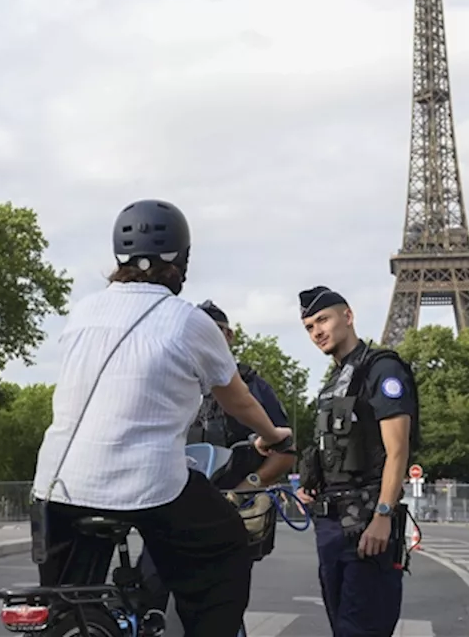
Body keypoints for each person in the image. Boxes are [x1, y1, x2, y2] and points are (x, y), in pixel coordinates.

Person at [29, 199, 293, 637]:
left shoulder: (83, 311)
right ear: (181, 260)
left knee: (66, 600)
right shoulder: (189, 321)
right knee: (225, 549)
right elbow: (239, 400)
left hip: (57, 482)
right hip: (147, 481)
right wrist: (271, 435)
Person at [136, 299, 298, 620]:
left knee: (221, 607)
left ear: (230, 336)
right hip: (171, 502)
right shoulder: (173, 382)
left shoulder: (252, 387)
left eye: (213, 332)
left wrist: (247, 486)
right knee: (147, 594)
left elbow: (286, 453)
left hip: (228, 506)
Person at [294, 286, 421, 637]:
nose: (317, 331)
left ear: (347, 316)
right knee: (344, 627)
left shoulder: (381, 370)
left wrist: (383, 515)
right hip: (332, 524)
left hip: (367, 522)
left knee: (361, 629)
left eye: (323, 319)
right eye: (309, 326)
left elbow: (398, 450)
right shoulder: (335, 381)